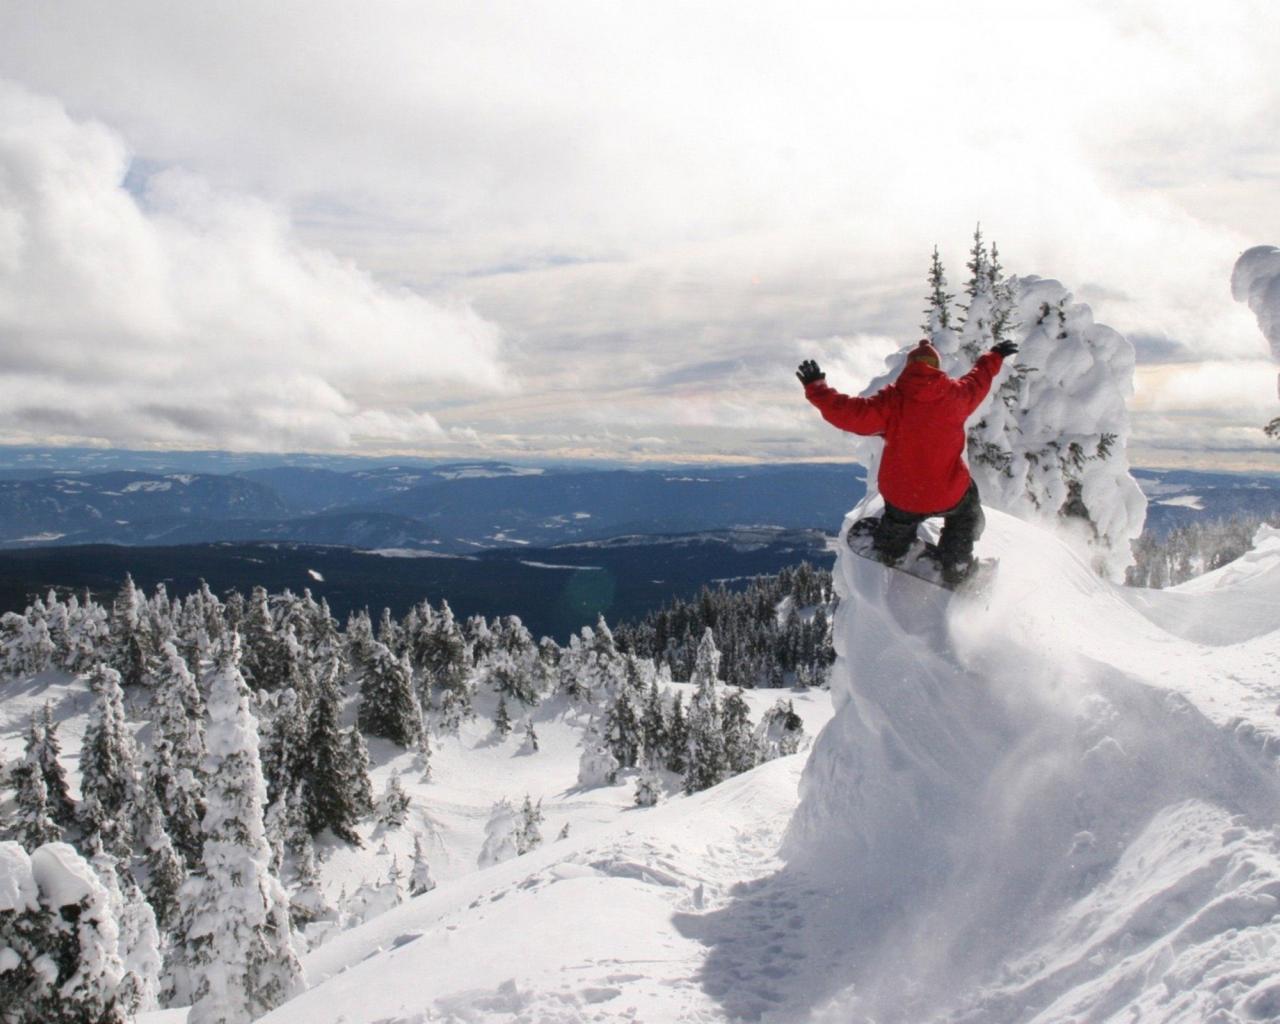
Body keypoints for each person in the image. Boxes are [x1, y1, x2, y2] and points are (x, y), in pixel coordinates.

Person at [797, 338, 1018, 585]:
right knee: (966, 514)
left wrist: (817, 388)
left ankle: (893, 549)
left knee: (899, 519)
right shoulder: (957, 396)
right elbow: (979, 380)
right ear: (936, 366)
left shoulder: (892, 402)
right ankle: (957, 561)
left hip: (905, 496)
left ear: (909, 366)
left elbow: (849, 413)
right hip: (949, 493)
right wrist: (995, 356)